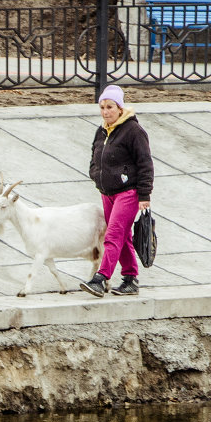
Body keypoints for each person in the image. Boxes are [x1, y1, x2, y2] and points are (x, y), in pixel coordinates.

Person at [81, 84, 154, 297]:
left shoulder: (134, 131)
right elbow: (95, 156)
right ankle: (131, 279)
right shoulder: (102, 130)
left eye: (110, 107)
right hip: (107, 192)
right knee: (122, 238)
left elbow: (145, 163)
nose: (106, 111)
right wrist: (95, 174)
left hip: (128, 192)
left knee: (113, 235)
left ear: (120, 108)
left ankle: (100, 278)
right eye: (102, 107)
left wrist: (144, 195)